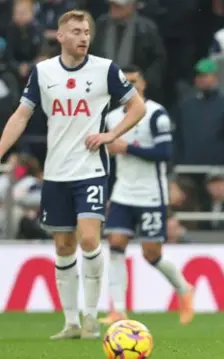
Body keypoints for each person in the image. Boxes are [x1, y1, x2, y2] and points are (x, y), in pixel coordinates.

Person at [0, 10, 146, 339]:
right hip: (56, 172)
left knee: (90, 238)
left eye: (87, 32)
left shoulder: (105, 69)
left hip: (91, 168)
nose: (83, 37)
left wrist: (111, 135)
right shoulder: (43, 72)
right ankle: (71, 322)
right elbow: (21, 116)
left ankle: (92, 316)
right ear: (61, 37)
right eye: (76, 31)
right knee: (64, 246)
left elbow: (137, 106)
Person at [100, 65, 194, 326]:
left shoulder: (156, 115)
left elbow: (164, 154)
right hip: (123, 192)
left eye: (134, 81)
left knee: (151, 253)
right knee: (115, 243)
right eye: (125, 83)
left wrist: (127, 148)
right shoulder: (112, 118)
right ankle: (118, 309)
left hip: (151, 193)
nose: (130, 86)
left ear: (143, 85)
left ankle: (184, 289)